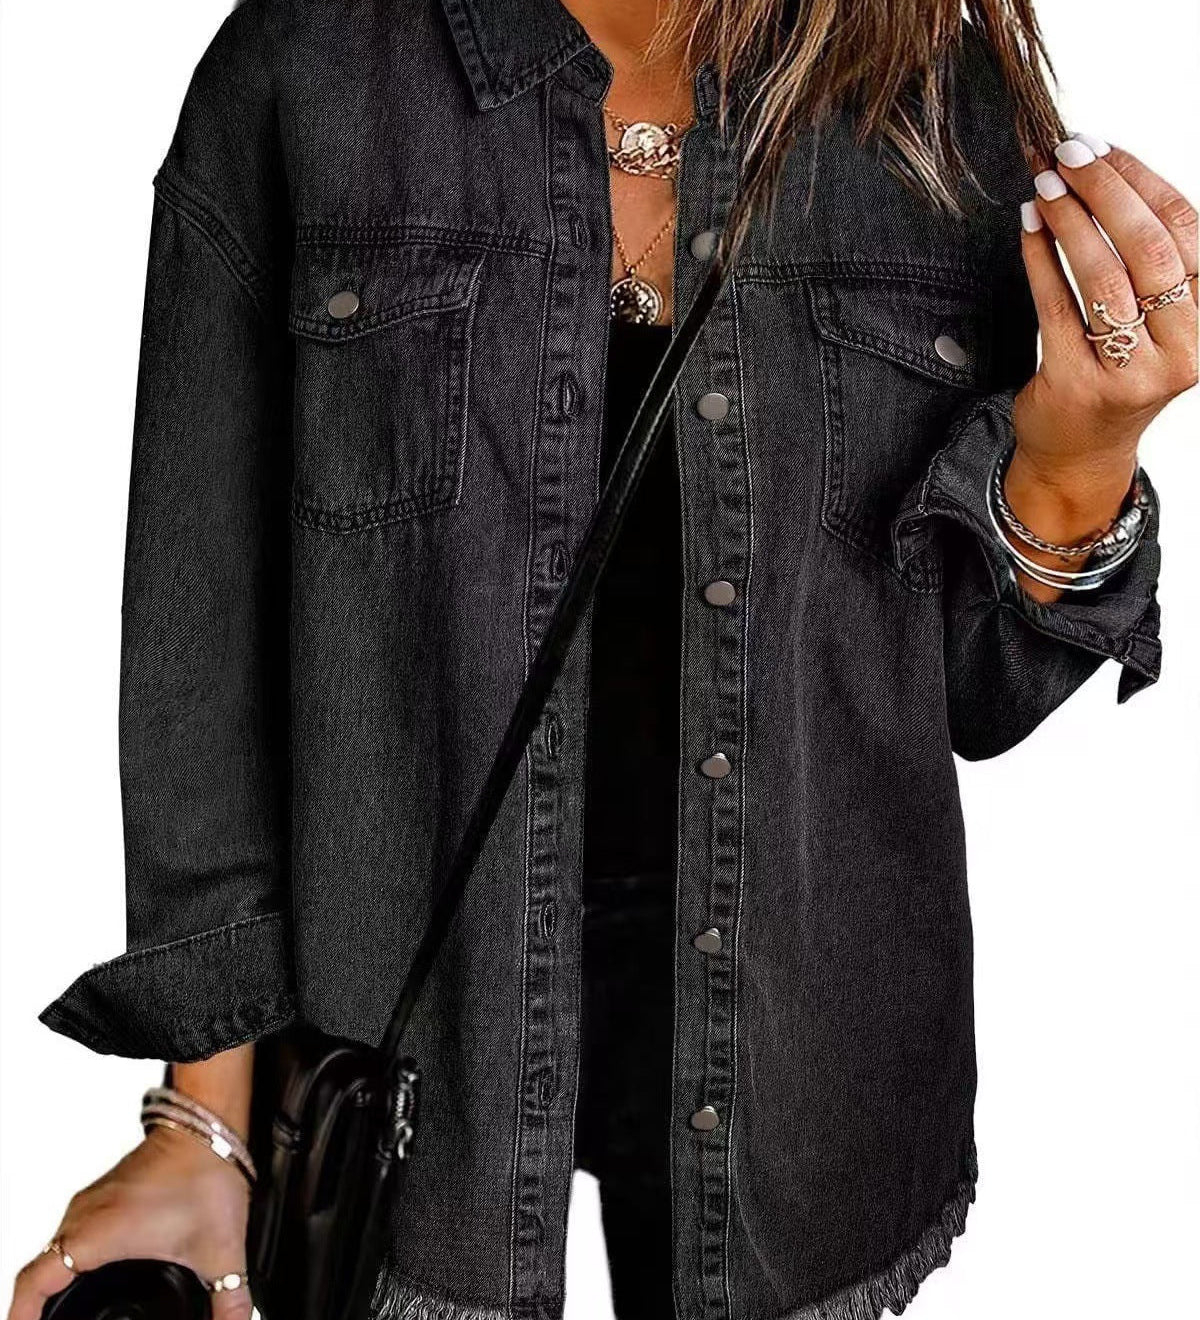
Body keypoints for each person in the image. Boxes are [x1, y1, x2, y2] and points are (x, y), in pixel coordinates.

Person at [9, 0, 1197, 1317]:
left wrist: (1084, 455)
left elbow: (973, 699)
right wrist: (201, 1122)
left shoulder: (932, 98)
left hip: (809, 1075)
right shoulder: (312, 66)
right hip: (410, 1064)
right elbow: (202, 632)